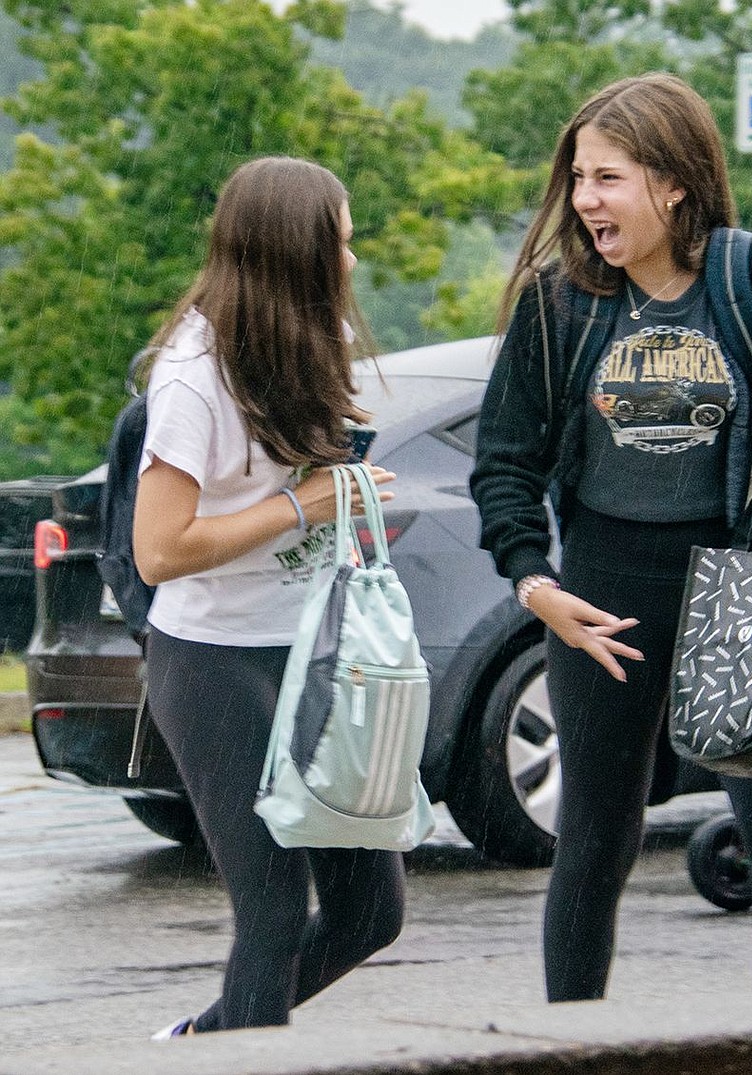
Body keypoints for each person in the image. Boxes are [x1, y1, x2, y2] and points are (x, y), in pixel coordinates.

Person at [470, 73, 752, 1002]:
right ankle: (572, 1046)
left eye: (609, 177)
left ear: (671, 184)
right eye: (580, 178)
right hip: (603, 584)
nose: (586, 199)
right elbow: (503, 462)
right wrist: (533, 580)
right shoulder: (561, 305)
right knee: (595, 832)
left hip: (745, 574)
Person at [134, 156, 403, 1037]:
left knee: (372, 911)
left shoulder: (295, 345)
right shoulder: (192, 375)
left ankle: (201, 1041)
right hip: (212, 662)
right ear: (297, 249)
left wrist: (344, 505)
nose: (353, 263)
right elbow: (158, 551)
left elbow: (301, 511)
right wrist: (303, 503)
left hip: (307, 652)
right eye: (343, 242)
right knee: (277, 912)